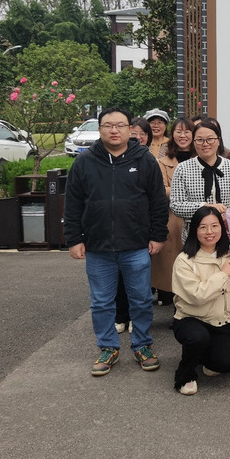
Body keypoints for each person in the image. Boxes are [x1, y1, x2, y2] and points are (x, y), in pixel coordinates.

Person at [64, 107, 168, 376]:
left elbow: (157, 201)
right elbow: (73, 204)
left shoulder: (144, 160)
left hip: (136, 245)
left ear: (129, 130)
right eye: (108, 125)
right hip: (98, 247)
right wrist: (74, 239)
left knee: (141, 300)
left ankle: (142, 345)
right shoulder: (85, 162)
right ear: (99, 129)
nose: (114, 130)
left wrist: (158, 235)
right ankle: (108, 347)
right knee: (101, 302)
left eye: (120, 125)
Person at [171, 207, 230, 395]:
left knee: (227, 363)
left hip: (220, 321)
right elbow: (197, 296)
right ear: (194, 230)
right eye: (203, 227)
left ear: (222, 228)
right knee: (198, 338)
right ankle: (185, 374)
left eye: (214, 226)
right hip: (191, 318)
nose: (209, 232)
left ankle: (203, 356)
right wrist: (223, 275)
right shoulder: (184, 260)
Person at [170, 122, 230, 243]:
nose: (205, 144)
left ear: (218, 140)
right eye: (200, 140)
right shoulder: (183, 168)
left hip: (227, 235)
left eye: (210, 139)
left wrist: (228, 215)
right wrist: (205, 208)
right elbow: (176, 205)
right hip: (194, 236)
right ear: (194, 142)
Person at [115, 116, 155, 333]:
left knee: (140, 280)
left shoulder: (149, 160)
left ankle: (136, 320)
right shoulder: (115, 159)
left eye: (143, 134)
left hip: (142, 230)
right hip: (118, 229)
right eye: (134, 133)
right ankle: (121, 315)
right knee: (119, 277)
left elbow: (156, 199)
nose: (138, 137)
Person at [151, 117, 196, 306]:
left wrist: (177, 190)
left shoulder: (201, 159)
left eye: (187, 131)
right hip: (172, 220)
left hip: (197, 219)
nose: (182, 135)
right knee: (171, 266)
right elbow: (161, 190)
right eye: (178, 131)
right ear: (172, 134)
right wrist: (189, 190)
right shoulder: (162, 162)